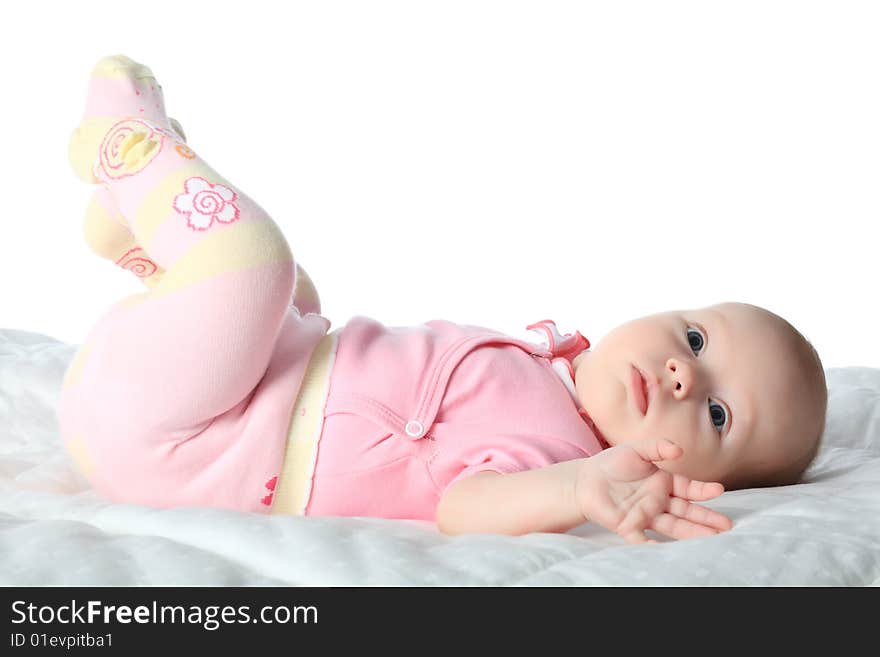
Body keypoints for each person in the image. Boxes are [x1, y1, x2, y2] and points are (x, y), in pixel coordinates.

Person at [59, 55, 828, 545]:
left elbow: (467, 508)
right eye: (696, 341)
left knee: (259, 271)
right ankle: (154, 248)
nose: (684, 377)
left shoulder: (562, 453)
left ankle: (135, 158)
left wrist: (579, 487)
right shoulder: (549, 364)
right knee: (299, 300)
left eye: (718, 415)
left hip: (183, 436)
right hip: (218, 381)